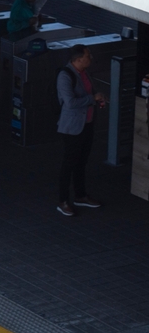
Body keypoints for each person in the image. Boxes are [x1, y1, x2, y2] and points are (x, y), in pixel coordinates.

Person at [56, 45, 105, 216]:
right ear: (78, 59)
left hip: (87, 123)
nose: (90, 57)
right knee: (69, 164)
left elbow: (89, 93)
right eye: (87, 55)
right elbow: (70, 103)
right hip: (72, 128)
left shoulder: (84, 73)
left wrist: (96, 99)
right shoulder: (65, 76)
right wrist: (92, 98)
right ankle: (62, 200)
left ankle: (80, 195)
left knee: (81, 162)